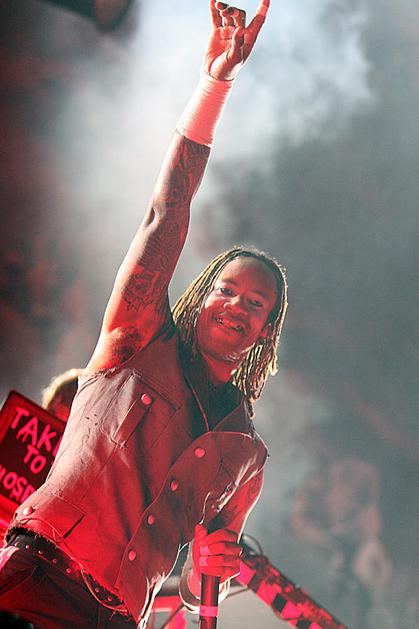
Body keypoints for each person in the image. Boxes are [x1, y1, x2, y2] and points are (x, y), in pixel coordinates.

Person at [0, 1, 287, 627]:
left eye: (255, 303)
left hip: (119, 617)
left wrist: (210, 570)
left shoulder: (247, 455)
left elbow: (199, 587)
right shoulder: (136, 337)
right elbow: (167, 210)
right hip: (38, 577)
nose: (237, 305)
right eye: (227, 290)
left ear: (265, 332)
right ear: (202, 294)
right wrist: (214, 85)